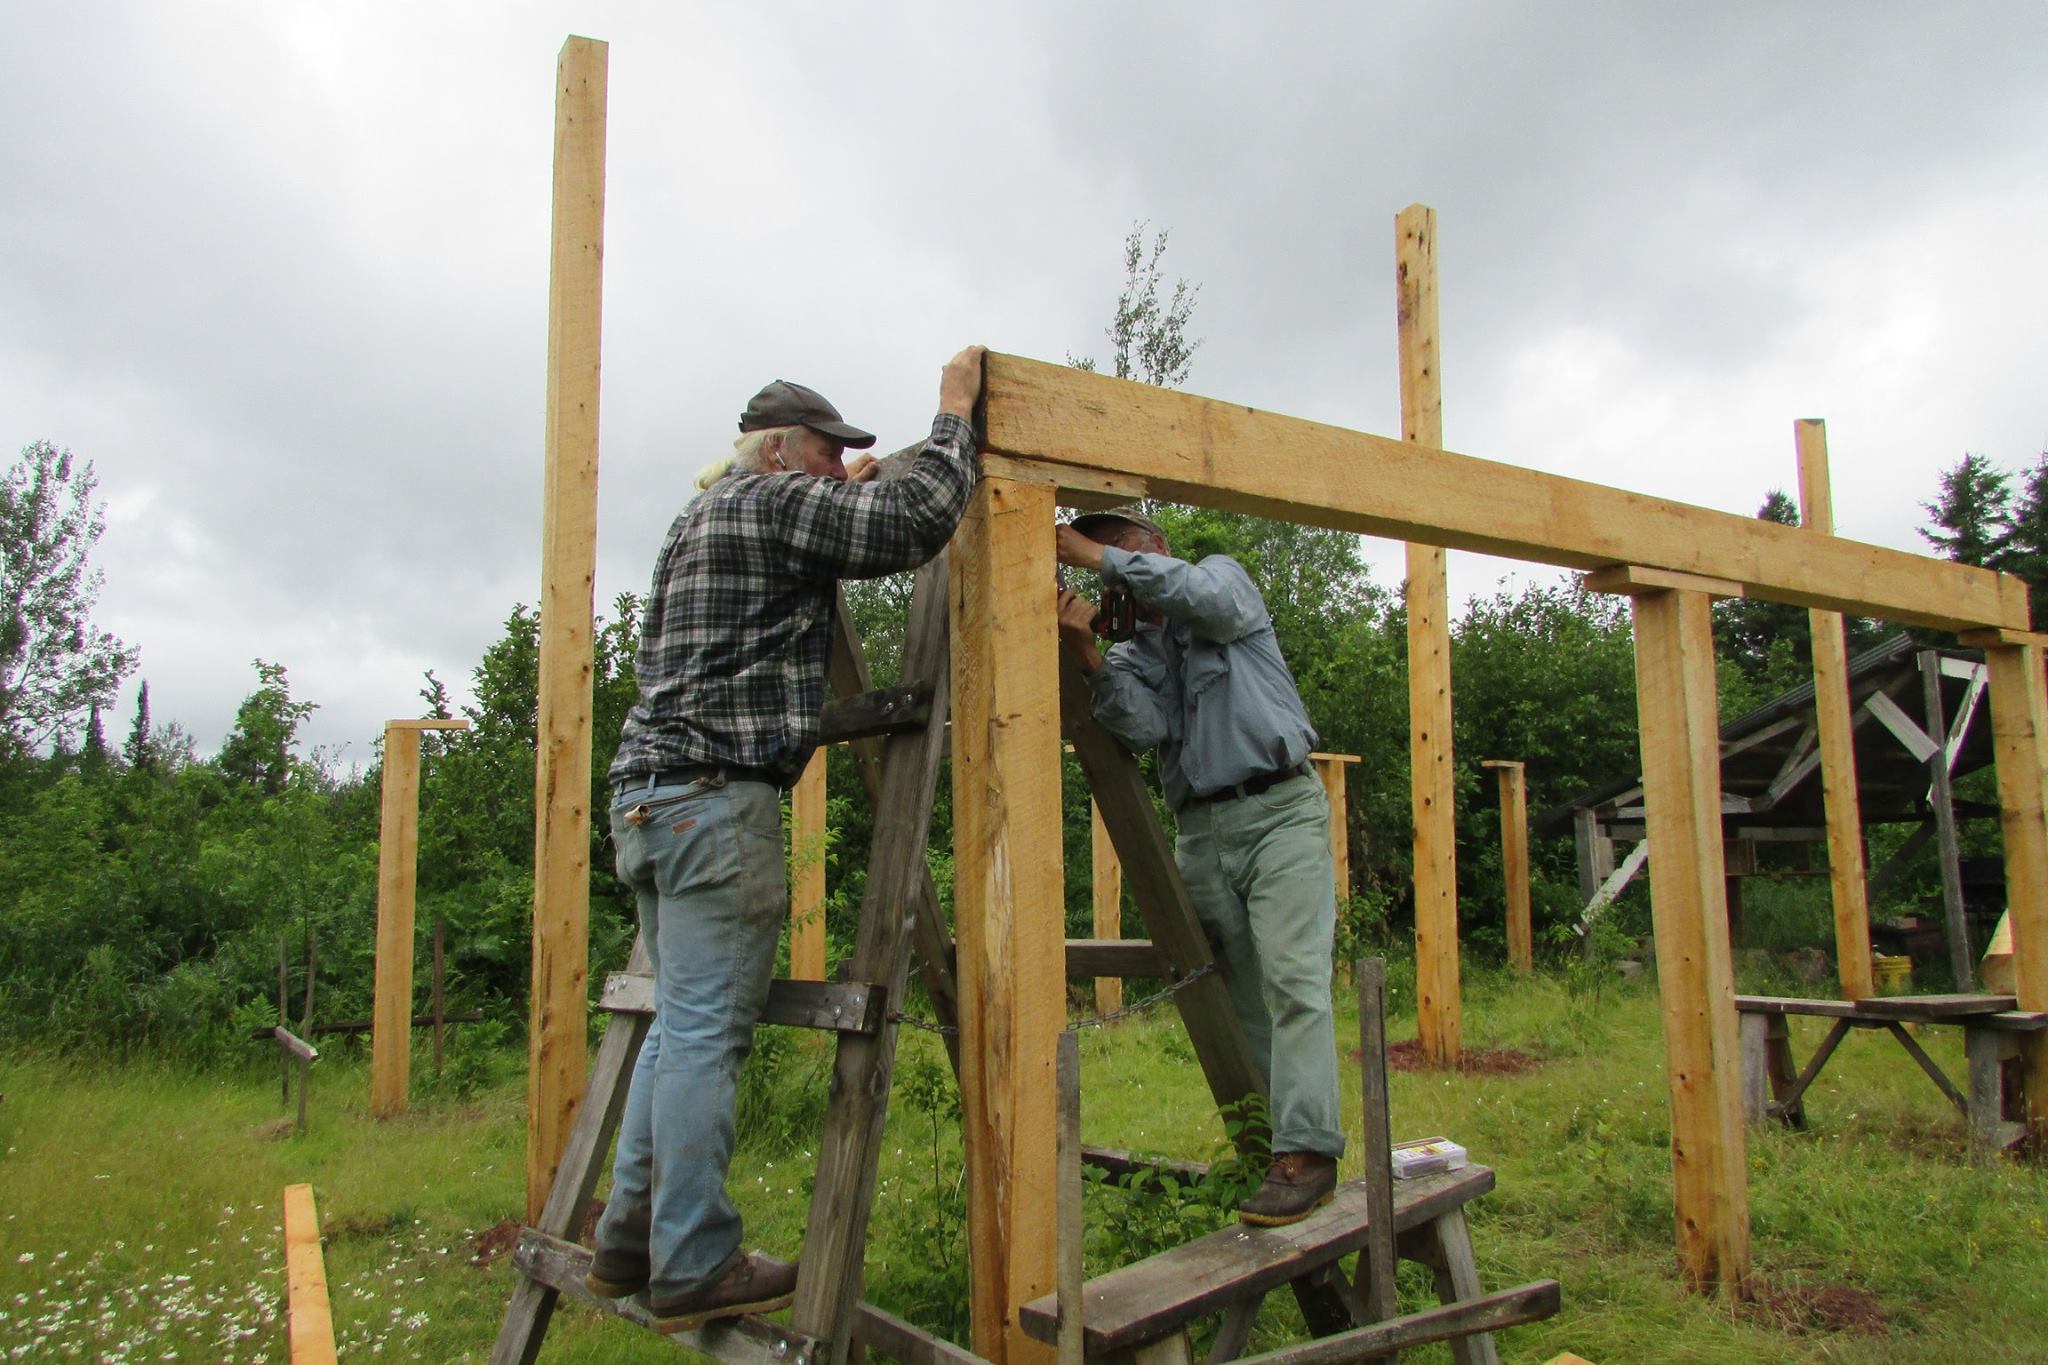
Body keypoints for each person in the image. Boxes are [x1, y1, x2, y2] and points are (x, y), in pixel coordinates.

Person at [588, 347, 986, 1332]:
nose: (834, 467)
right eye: (824, 452)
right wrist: (951, 418)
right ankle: (692, 1261)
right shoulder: (772, 502)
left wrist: (829, 498)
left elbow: (822, 522)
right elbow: (910, 520)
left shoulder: (703, 516)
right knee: (700, 1037)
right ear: (774, 451)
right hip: (717, 805)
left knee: (675, 1028)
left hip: (648, 802)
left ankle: (630, 1242)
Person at [1054, 510, 1345, 1226]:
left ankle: (1309, 1151)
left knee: (1294, 979)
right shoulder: (1138, 647)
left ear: (1155, 549)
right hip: (1203, 833)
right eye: (1095, 556)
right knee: (1238, 996)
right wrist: (1089, 655)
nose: (1105, 570)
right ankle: (1270, 1155)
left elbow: (1206, 600)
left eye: (1116, 550)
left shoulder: (1222, 580)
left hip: (1278, 810)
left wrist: (1095, 558)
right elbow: (1145, 727)